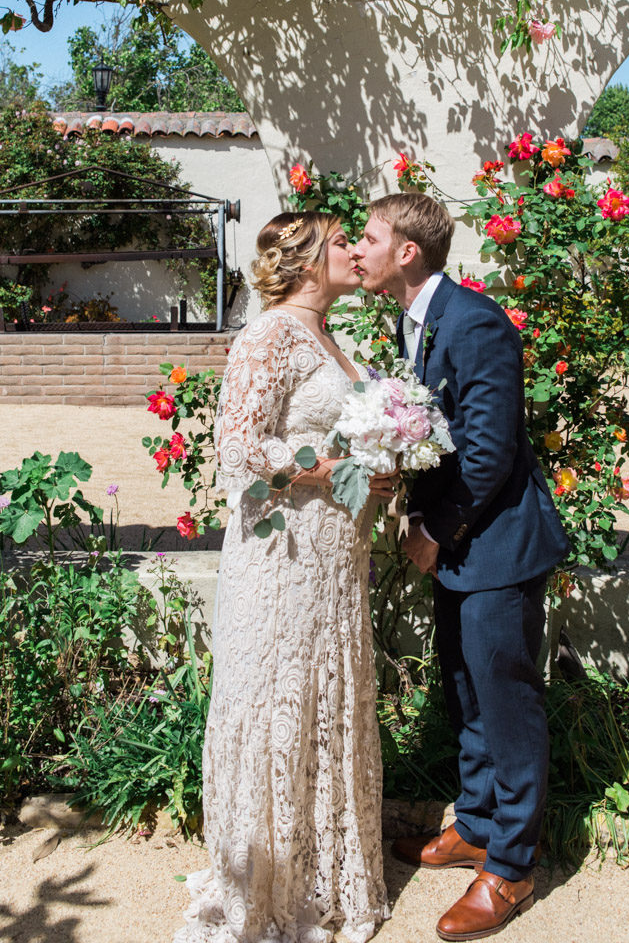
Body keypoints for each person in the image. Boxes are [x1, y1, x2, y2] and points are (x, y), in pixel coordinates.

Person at [351, 193, 569, 942]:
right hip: (460, 546)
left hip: (497, 545)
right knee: (466, 687)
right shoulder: (412, 319)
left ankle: (511, 864)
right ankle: (475, 825)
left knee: (505, 702)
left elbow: (488, 449)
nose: (359, 247)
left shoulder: (476, 322)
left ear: (407, 251)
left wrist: (436, 530)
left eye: (370, 236)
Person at [175, 211, 393, 943]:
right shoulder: (268, 333)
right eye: (341, 243)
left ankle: (324, 870)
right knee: (278, 695)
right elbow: (237, 445)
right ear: (303, 260)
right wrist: (332, 470)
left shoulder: (329, 334)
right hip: (283, 554)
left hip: (335, 554)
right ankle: (266, 883)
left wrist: (383, 462)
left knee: (325, 693)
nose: (355, 252)